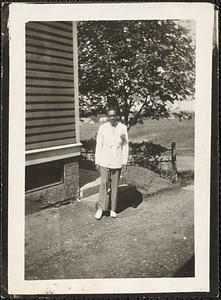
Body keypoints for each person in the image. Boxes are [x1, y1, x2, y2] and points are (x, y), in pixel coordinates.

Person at [94, 107, 129, 220]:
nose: (112, 117)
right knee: (104, 183)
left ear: (117, 116)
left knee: (114, 185)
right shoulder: (103, 128)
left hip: (117, 160)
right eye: (110, 115)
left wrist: (124, 161)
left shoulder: (122, 128)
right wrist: (97, 161)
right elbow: (99, 145)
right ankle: (101, 208)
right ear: (108, 117)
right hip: (104, 160)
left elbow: (125, 145)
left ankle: (113, 209)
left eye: (114, 115)